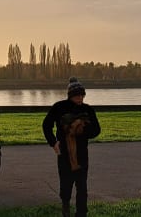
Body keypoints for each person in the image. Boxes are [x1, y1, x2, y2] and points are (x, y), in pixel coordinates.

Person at [42, 77, 101, 217]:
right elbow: (46, 125)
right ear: (70, 95)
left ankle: (81, 213)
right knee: (66, 184)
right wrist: (53, 143)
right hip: (64, 154)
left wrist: (83, 131)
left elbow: (97, 130)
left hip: (82, 154)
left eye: (82, 95)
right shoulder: (59, 107)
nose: (80, 98)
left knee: (82, 187)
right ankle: (66, 207)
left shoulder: (88, 110)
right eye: (77, 95)